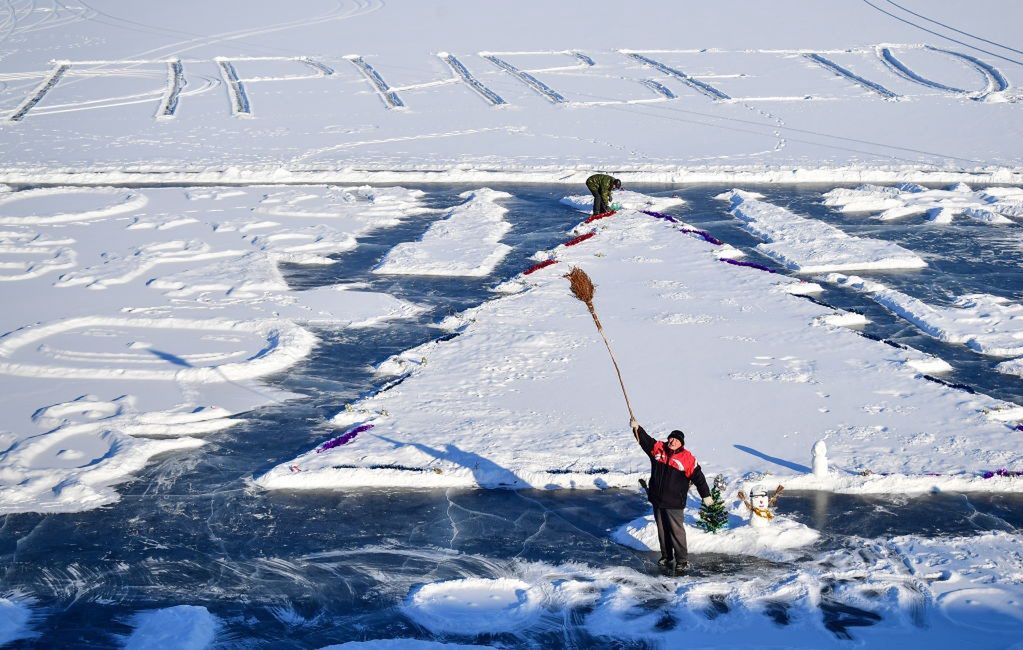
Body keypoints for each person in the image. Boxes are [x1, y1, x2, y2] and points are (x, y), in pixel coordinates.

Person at [631, 416, 713, 575]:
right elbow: (645, 441)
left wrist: (706, 495)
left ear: (681, 443)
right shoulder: (658, 449)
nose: (672, 441)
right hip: (657, 500)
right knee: (662, 531)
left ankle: (682, 560)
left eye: (676, 440)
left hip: (674, 502)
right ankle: (667, 556)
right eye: (671, 438)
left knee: (676, 531)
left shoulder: (687, 458)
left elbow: (699, 478)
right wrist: (637, 427)